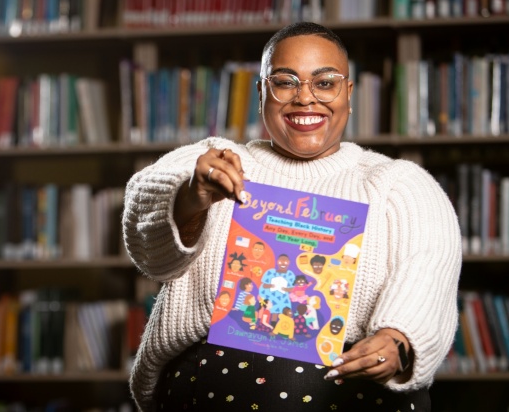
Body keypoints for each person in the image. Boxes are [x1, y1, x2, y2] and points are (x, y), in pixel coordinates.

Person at [122, 21, 462, 412]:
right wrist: (191, 197)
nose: (305, 98)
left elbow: (428, 269)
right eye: (285, 82)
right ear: (262, 92)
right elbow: (147, 242)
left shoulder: (398, 183)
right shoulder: (216, 160)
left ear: (348, 93)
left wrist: (397, 339)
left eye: (325, 82)